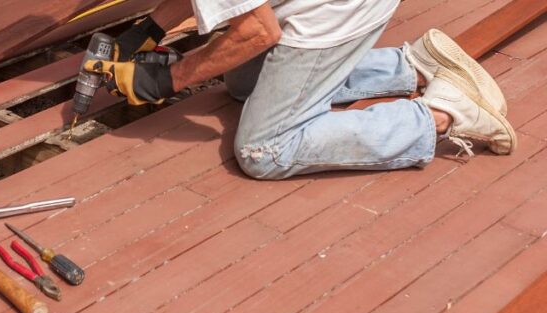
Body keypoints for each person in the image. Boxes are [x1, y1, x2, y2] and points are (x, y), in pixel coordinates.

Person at [85, 0, 515, 180]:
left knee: (264, 149)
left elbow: (257, 31)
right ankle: (414, 65)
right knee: (242, 82)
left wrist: (162, 79)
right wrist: (148, 30)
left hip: (339, 10)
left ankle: (442, 113)